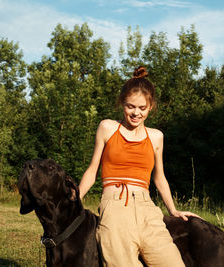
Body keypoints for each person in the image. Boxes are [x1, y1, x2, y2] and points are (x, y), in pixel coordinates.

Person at [79, 66, 197, 267]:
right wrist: (75, 198)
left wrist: (173, 210)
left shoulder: (156, 136)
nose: (136, 113)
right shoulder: (107, 128)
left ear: (151, 106)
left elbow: (159, 178)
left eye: (142, 108)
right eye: (130, 106)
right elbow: (92, 170)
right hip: (114, 207)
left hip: (147, 209)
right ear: (122, 104)